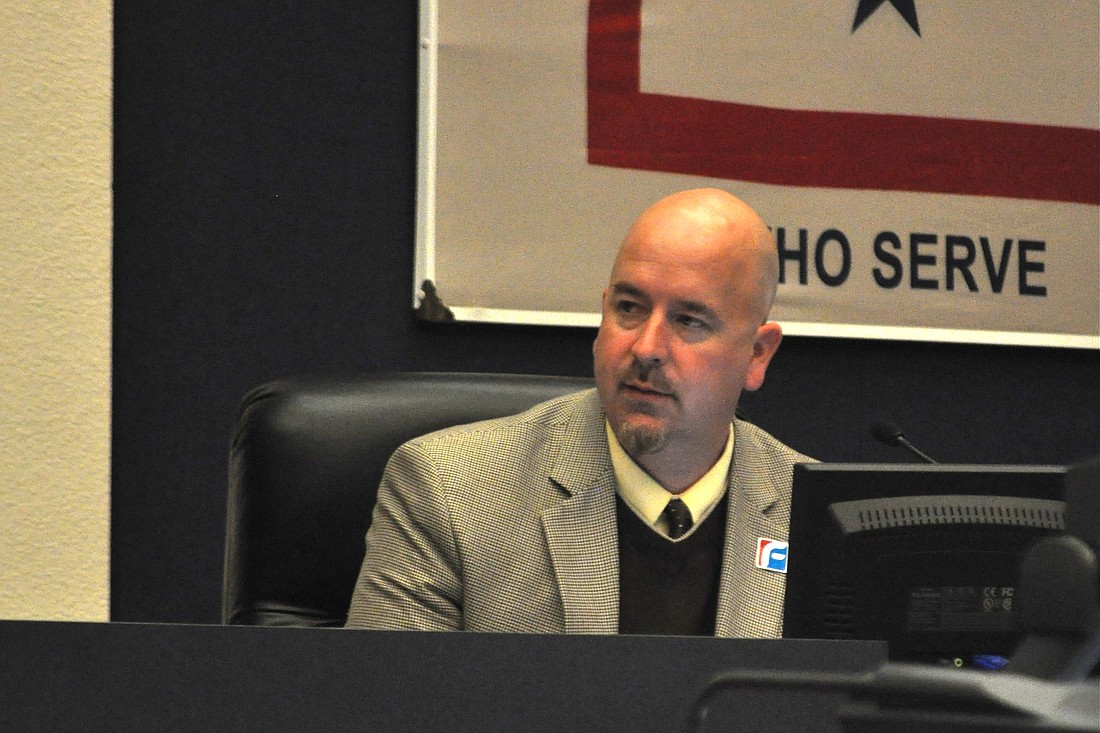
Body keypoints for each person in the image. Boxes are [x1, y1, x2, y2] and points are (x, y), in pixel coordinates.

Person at [345, 188, 812, 636]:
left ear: (756, 354)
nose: (646, 348)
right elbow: (390, 707)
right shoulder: (450, 492)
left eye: (689, 320)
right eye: (629, 308)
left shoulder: (816, 519)